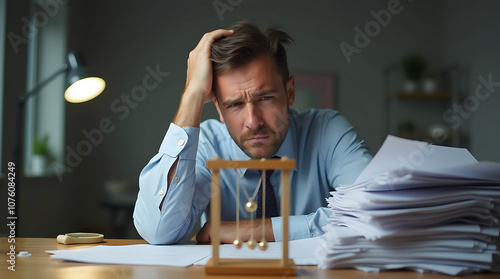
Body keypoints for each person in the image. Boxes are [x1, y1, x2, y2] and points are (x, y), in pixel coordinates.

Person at [133, 21, 372, 245]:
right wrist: (192, 94)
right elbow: (158, 231)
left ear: (290, 92)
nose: (253, 121)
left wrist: (250, 230)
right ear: (218, 108)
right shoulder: (206, 145)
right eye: (235, 104)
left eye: (265, 98)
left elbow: (373, 214)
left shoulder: (328, 131)